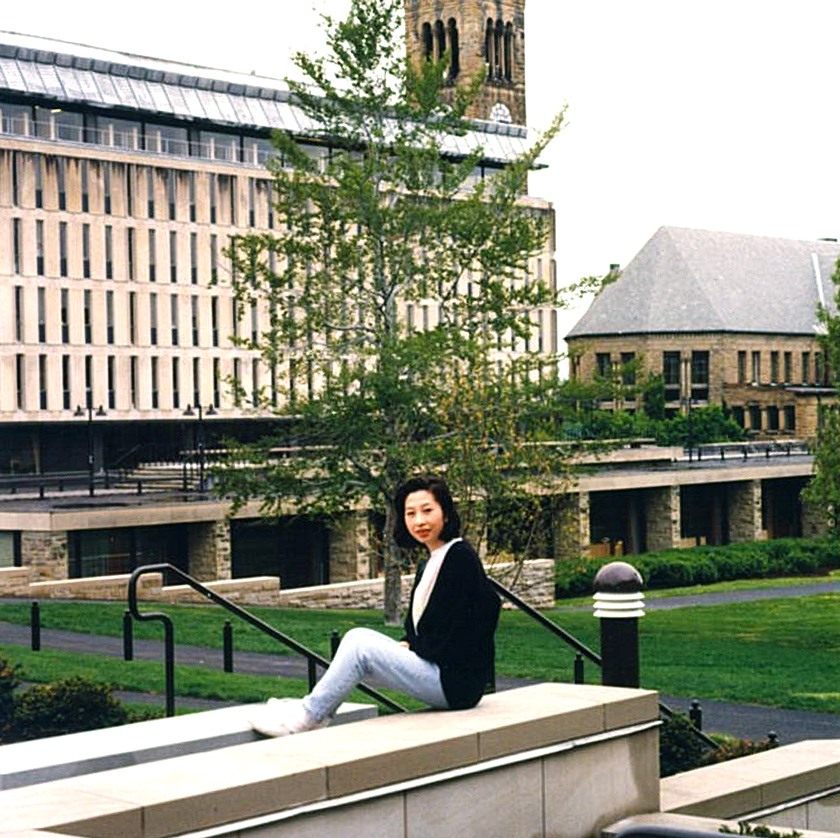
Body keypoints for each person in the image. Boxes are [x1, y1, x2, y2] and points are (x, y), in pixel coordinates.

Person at [249, 474, 501, 737]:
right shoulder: (431, 561)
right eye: (410, 513)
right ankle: (310, 708)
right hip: (443, 675)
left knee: (360, 645)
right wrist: (409, 642)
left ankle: (307, 718)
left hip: (456, 685)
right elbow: (428, 622)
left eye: (428, 511)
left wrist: (418, 647)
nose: (420, 521)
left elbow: (482, 613)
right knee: (358, 638)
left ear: (446, 513)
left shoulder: (459, 557)